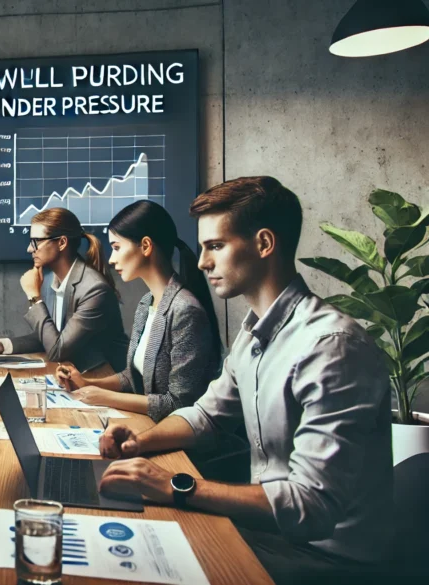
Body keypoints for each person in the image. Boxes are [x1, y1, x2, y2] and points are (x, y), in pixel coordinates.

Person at [96, 177, 393, 585]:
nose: (201, 262)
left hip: (324, 562)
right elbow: (206, 416)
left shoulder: (331, 347)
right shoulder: (254, 334)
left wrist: (177, 485)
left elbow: (312, 505)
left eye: (215, 246)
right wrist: (139, 442)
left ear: (264, 244)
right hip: (271, 535)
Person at [55, 201, 221, 422]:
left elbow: (179, 403)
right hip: (146, 423)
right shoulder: (147, 303)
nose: (112, 260)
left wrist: (104, 397)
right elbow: (133, 377)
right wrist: (87, 383)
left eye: (116, 248)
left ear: (145, 246)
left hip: (180, 444)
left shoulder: (185, 311)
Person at [0, 207, 129, 372]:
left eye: (36, 241)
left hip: (107, 381)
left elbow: (57, 350)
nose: (30, 249)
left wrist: (34, 298)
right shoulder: (51, 279)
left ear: (62, 243)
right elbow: (50, 336)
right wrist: (4, 346)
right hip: (77, 376)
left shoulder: (94, 290)